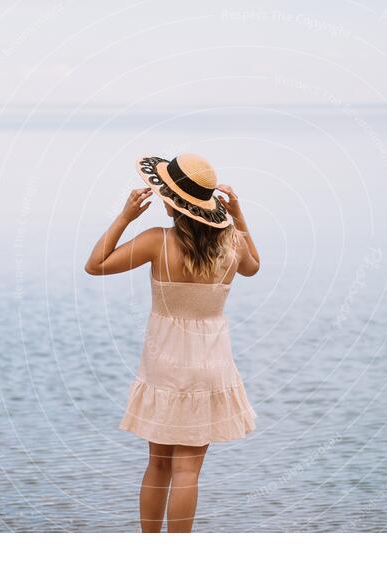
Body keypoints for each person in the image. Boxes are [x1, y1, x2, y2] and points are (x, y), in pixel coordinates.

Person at [85, 153, 260, 532]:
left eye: (165, 192)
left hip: (165, 361)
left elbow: (95, 264)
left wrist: (124, 217)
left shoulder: (156, 242)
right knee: (188, 469)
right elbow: (254, 266)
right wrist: (240, 217)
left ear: (174, 202)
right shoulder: (232, 246)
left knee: (159, 463)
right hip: (212, 363)